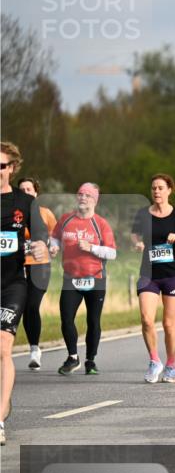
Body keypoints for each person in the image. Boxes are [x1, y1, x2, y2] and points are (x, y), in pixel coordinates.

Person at [1, 142, 49, 445]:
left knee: (3, 348)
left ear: (12, 168)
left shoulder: (24, 201)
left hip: (12, 284)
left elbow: (41, 233)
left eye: (2, 166)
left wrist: (42, 245)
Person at [131, 174, 175, 384]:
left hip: (172, 275)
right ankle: (154, 360)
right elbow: (134, 235)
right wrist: (137, 243)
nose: (156, 191)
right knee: (147, 320)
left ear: (169, 190)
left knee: (168, 324)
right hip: (148, 274)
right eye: (153, 188)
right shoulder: (143, 214)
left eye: (160, 188)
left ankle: (171, 365)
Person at [51, 183, 117, 375]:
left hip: (95, 278)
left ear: (94, 200)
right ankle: (73, 357)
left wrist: (92, 248)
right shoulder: (66, 219)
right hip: (71, 278)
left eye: (87, 195)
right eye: (80, 194)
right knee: (66, 318)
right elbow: (55, 237)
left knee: (93, 321)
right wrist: (54, 246)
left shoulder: (100, 223)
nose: (82, 198)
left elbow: (112, 253)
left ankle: (90, 360)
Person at [16, 177, 56, 370]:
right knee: (22, 308)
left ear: (36, 193)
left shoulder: (45, 213)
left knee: (32, 305)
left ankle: (34, 350)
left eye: (29, 189)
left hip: (40, 265)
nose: (25, 192)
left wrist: (53, 246)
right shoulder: (12, 214)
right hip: (17, 265)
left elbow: (56, 237)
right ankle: (34, 347)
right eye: (22, 189)